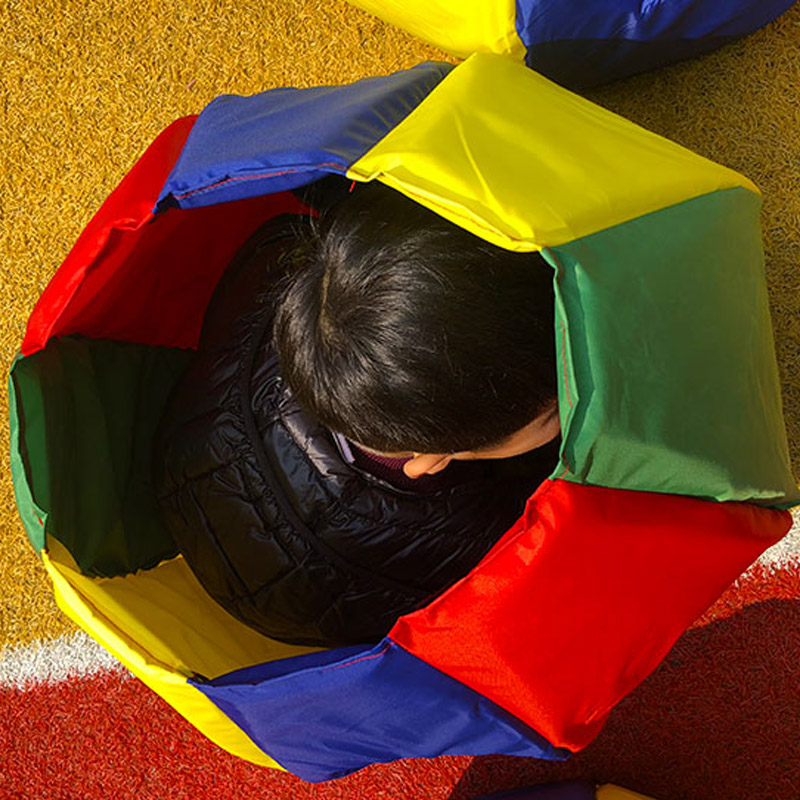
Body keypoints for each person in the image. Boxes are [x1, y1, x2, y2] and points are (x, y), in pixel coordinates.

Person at [154, 179, 559, 647]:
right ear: (430, 461)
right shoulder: (473, 535)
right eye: (550, 416)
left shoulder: (290, 276)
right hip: (326, 591)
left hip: (196, 467)